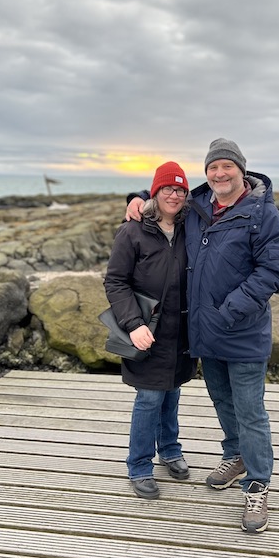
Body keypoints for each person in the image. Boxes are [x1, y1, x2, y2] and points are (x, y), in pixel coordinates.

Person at [126, 139, 279, 531]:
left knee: (251, 412)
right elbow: (164, 204)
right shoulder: (198, 208)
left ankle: (257, 485)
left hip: (243, 332)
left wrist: (228, 310)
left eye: (226, 167)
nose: (219, 174)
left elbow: (272, 273)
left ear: (241, 170)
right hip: (207, 334)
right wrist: (135, 197)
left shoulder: (263, 214)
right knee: (221, 400)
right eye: (213, 168)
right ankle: (236, 456)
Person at [105, 161, 197, 500]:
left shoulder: (192, 226)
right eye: (166, 189)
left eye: (180, 189)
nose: (174, 195)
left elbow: (216, 194)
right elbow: (115, 281)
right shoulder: (132, 231)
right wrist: (133, 324)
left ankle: (170, 449)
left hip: (181, 330)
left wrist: (138, 195)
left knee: (172, 391)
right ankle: (139, 465)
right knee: (148, 398)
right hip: (146, 329)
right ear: (155, 193)